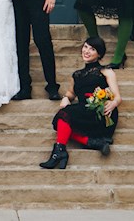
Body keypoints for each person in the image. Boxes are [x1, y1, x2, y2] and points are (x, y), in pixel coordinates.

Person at [39, 36, 122, 169]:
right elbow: (71, 93)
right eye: (85, 47)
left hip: (102, 112)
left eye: (92, 49)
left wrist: (113, 103)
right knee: (60, 120)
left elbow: (117, 97)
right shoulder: (76, 75)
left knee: (63, 115)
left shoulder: (106, 71)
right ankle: (89, 143)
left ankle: (60, 152)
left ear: (99, 54)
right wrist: (66, 98)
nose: (87, 51)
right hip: (84, 111)